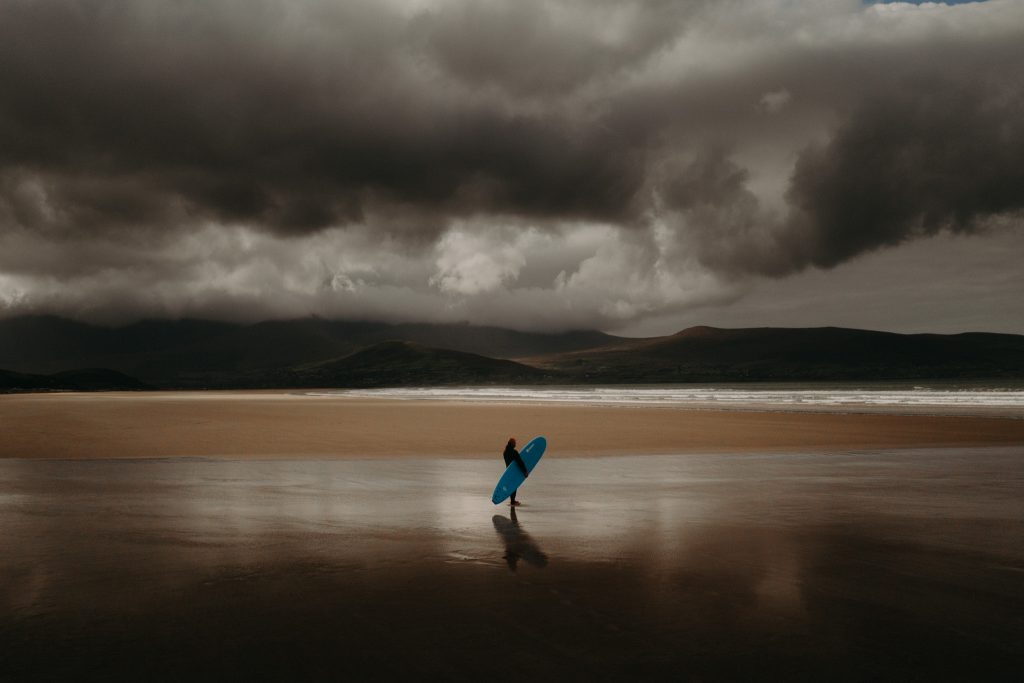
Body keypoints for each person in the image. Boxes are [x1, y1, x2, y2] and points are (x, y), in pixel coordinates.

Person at [502, 437, 529, 506]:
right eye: (515, 443)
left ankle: (512, 501)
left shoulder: (505, 452)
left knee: (512, 486)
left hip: (508, 471)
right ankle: (513, 502)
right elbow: (519, 462)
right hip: (514, 471)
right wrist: (525, 471)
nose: (515, 445)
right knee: (514, 486)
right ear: (512, 444)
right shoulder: (514, 452)